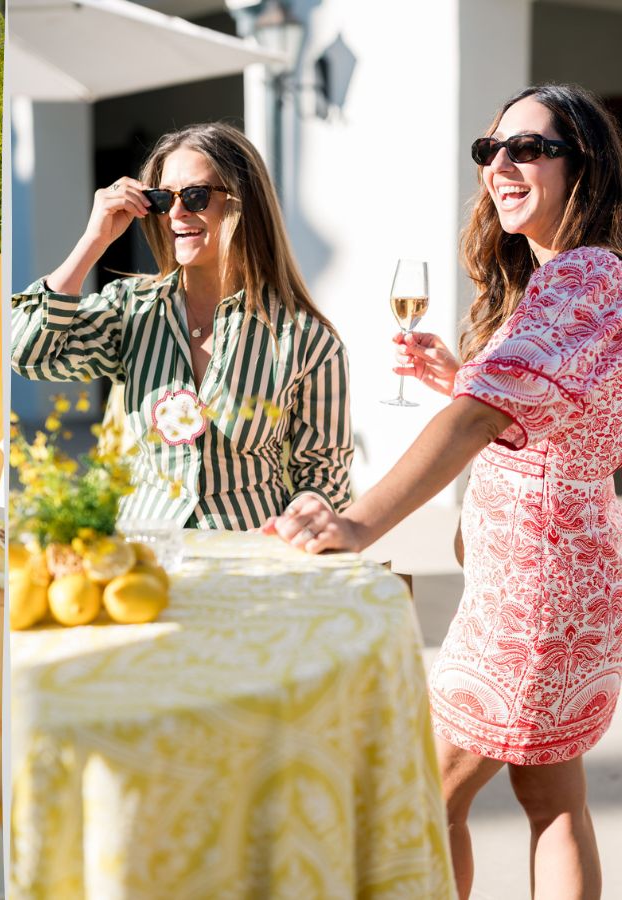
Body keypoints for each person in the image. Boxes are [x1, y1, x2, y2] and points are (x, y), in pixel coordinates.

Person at [265, 84, 622, 900]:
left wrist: (355, 523)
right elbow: (540, 414)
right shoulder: (571, 282)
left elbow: (475, 423)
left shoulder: (585, 276)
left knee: (425, 800)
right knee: (551, 802)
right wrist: (461, 378)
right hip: (564, 584)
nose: (501, 164)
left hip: (531, 599)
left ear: (586, 167)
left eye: (529, 148)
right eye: (491, 149)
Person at [11, 122, 352, 529]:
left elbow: (325, 470)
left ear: (244, 204)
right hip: (142, 557)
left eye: (195, 195)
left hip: (246, 556)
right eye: (162, 198)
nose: (176, 212)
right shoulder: (131, 310)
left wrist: (307, 508)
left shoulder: (306, 338)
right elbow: (27, 354)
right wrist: (93, 241)